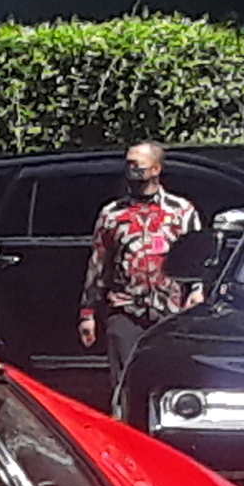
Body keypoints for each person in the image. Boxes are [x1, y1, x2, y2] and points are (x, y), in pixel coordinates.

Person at [78, 141, 202, 399]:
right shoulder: (112, 214)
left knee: (169, 380)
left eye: (138, 165)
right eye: (128, 164)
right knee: (124, 383)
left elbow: (197, 257)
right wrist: (87, 312)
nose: (131, 170)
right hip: (125, 308)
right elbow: (98, 264)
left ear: (155, 169)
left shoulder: (181, 211)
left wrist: (197, 291)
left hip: (171, 310)